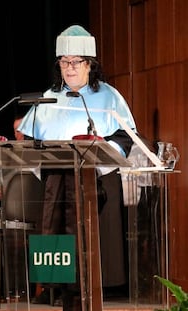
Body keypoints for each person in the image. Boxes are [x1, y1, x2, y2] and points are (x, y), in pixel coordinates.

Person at [17, 25, 137, 310]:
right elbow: (32, 141)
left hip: (95, 187)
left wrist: (97, 154)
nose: (69, 68)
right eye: (64, 62)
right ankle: (58, 291)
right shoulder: (47, 97)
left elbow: (124, 137)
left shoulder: (109, 97)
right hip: (55, 185)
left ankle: (88, 296)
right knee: (57, 243)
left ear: (89, 65)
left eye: (75, 62)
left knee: (89, 253)